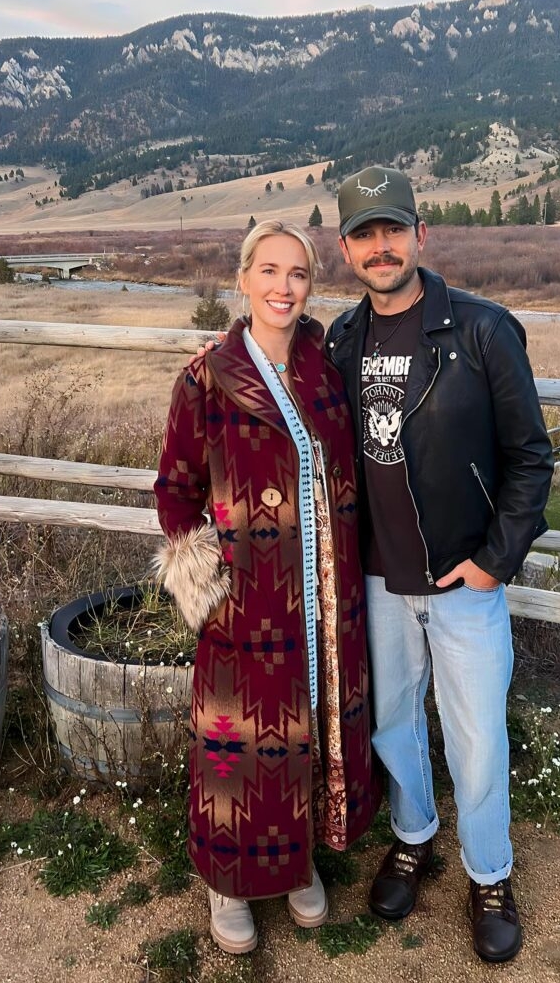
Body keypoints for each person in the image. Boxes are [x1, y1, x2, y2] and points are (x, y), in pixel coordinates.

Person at [324, 166, 554, 964]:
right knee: (392, 723)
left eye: (394, 229)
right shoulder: (342, 341)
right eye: (364, 233)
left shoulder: (485, 331)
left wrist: (496, 561)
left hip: (463, 579)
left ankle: (490, 876)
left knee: (478, 739)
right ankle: (412, 838)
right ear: (346, 248)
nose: (380, 246)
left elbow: (531, 459)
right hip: (378, 581)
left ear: (422, 235)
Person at [154, 220, 380, 955]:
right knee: (243, 742)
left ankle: (295, 863)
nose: (284, 288)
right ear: (244, 279)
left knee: (308, 726)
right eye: (270, 271)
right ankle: (228, 881)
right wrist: (208, 589)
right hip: (246, 600)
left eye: (299, 274)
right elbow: (175, 491)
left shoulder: (324, 369)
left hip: (324, 598)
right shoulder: (207, 378)